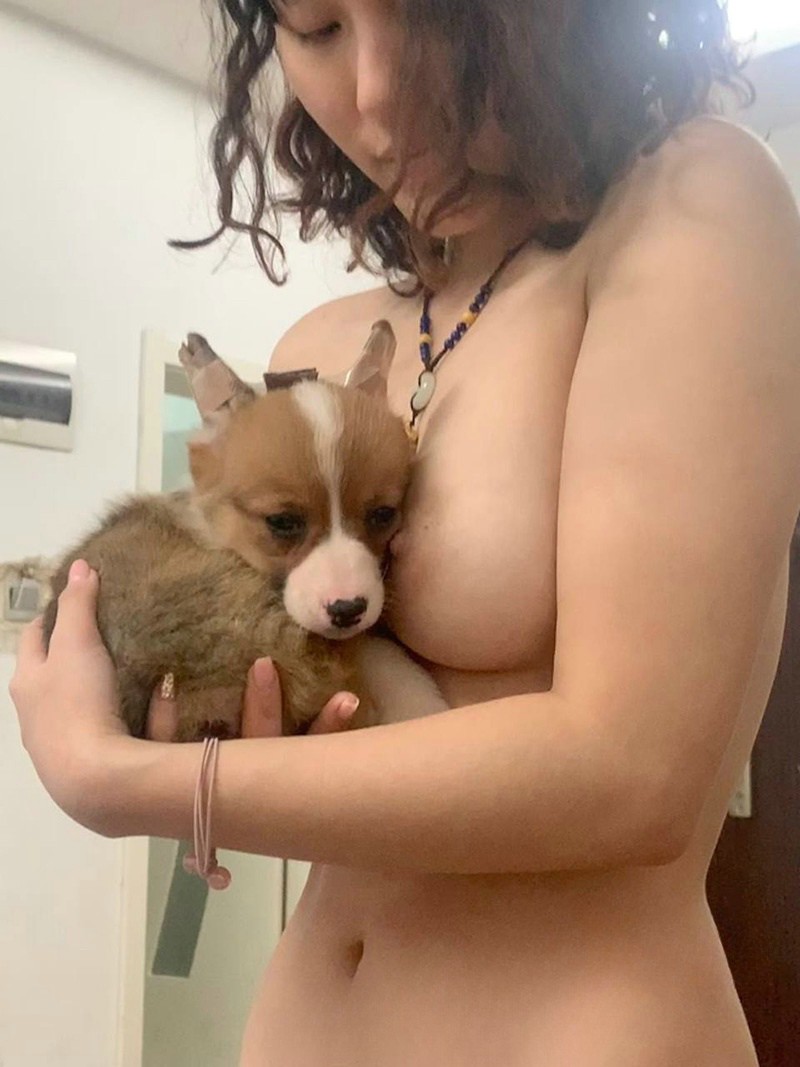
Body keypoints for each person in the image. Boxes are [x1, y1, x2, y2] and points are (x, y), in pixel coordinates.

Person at [10, 1, 800, 1063]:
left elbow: (631, 775)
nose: (374, 91)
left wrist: (119, 778)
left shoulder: (691, 205)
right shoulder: (328, 341)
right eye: (316, 26)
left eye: (427, 11)